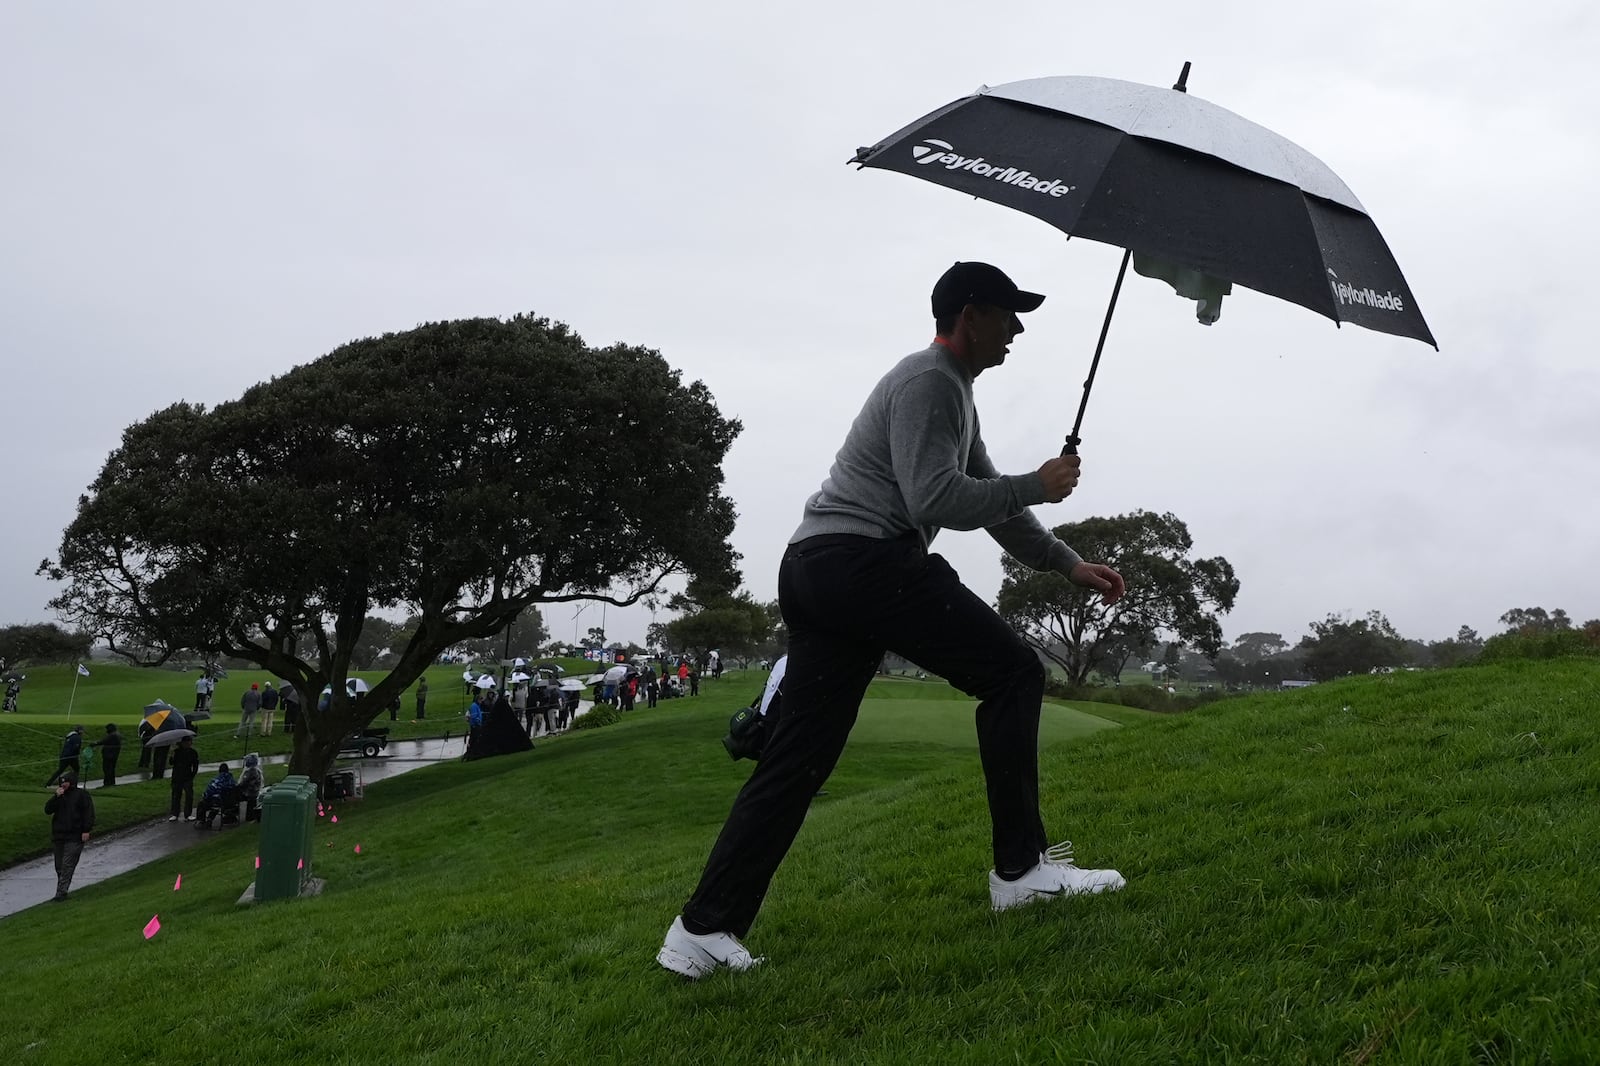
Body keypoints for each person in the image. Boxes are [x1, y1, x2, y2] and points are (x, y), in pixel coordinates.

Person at [658, 262, 1129, 979]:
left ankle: (702, 929)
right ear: (970, 315)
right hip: (862, 562)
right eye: (1009, 313)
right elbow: (937, 496)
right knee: (1013, 675)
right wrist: (1039, 481)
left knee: (799, 758)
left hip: (819, 569)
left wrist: (1066, 562)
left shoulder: (952, 393)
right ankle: (1021, 873)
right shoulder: (929, 382)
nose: (1019, 328)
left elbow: (990, 501)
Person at [44, 770, 94, 902]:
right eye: (61, 783)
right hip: (59, 835)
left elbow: (88, 813)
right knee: (59, 866)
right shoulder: (60, 797)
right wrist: (55, 797)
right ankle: (62, 888)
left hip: (75, 835)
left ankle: (61, 893)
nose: (62, 785)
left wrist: (86, 830)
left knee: (67, 864)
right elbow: (47, 810)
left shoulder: (81, 795)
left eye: (65, 782)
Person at [169, 736, 200, 821]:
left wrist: (192, 775)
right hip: (177, 776)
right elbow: (171, 762)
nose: (188, 744)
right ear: (182, 743)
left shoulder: (193, 752)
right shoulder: (177, 752)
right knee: (176, 795)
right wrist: (172, 755)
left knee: (189, 795)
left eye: (189, 742)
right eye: (186, 742)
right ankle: (175, 813)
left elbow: (195, 765)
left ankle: (188, 814)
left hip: (187, 777)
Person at [195, 763, 236, 827]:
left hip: (219, 802)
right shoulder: (232, 780)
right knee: (216, 801)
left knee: (202, 803)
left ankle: (201, 821)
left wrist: (205, 796)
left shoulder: (216, 781)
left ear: (219, 770)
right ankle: (209, 819)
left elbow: (208, 792)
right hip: (230, 803)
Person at [237, 752, 265, 821]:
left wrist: (237, 786)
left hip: (250, 792)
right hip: (255, 791)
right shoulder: (257, 771)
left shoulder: (250, 772)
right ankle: (251, 816)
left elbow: (243, 783)